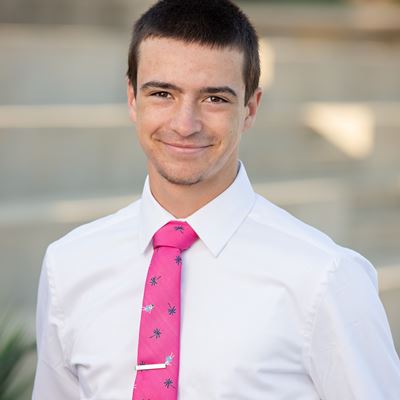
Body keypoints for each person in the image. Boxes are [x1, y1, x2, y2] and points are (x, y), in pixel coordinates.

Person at [32, 0, 400, 399]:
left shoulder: (325, 277)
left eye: (214, 99)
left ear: (250, 108)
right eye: (162, 93)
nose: (184, 124)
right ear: (132, 98)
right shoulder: (68, 265)